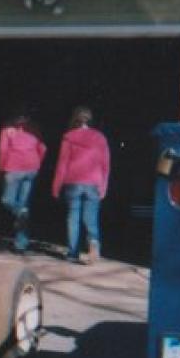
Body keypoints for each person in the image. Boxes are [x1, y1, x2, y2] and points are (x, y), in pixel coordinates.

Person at [50, 105, 110, 264]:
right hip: (94, 183)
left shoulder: (69, 137)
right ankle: (93, 242)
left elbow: (62, 164)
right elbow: (105, 164)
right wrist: (103, 186)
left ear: (74, 120)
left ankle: (72, 253)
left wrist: (56, 187)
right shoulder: (100, 138)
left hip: (73, 182)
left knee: (73, 218)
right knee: (91, 218)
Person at [0, 113, 47, 253]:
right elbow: (43, 148)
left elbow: (2, 150)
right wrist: (37, 162)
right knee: (24, 205)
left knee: (7, 200)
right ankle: (21, 243)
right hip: (31, 169)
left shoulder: (7, 129)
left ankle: (19, 214)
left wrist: (1, 169)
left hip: (13, 168)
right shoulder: (33, 128)